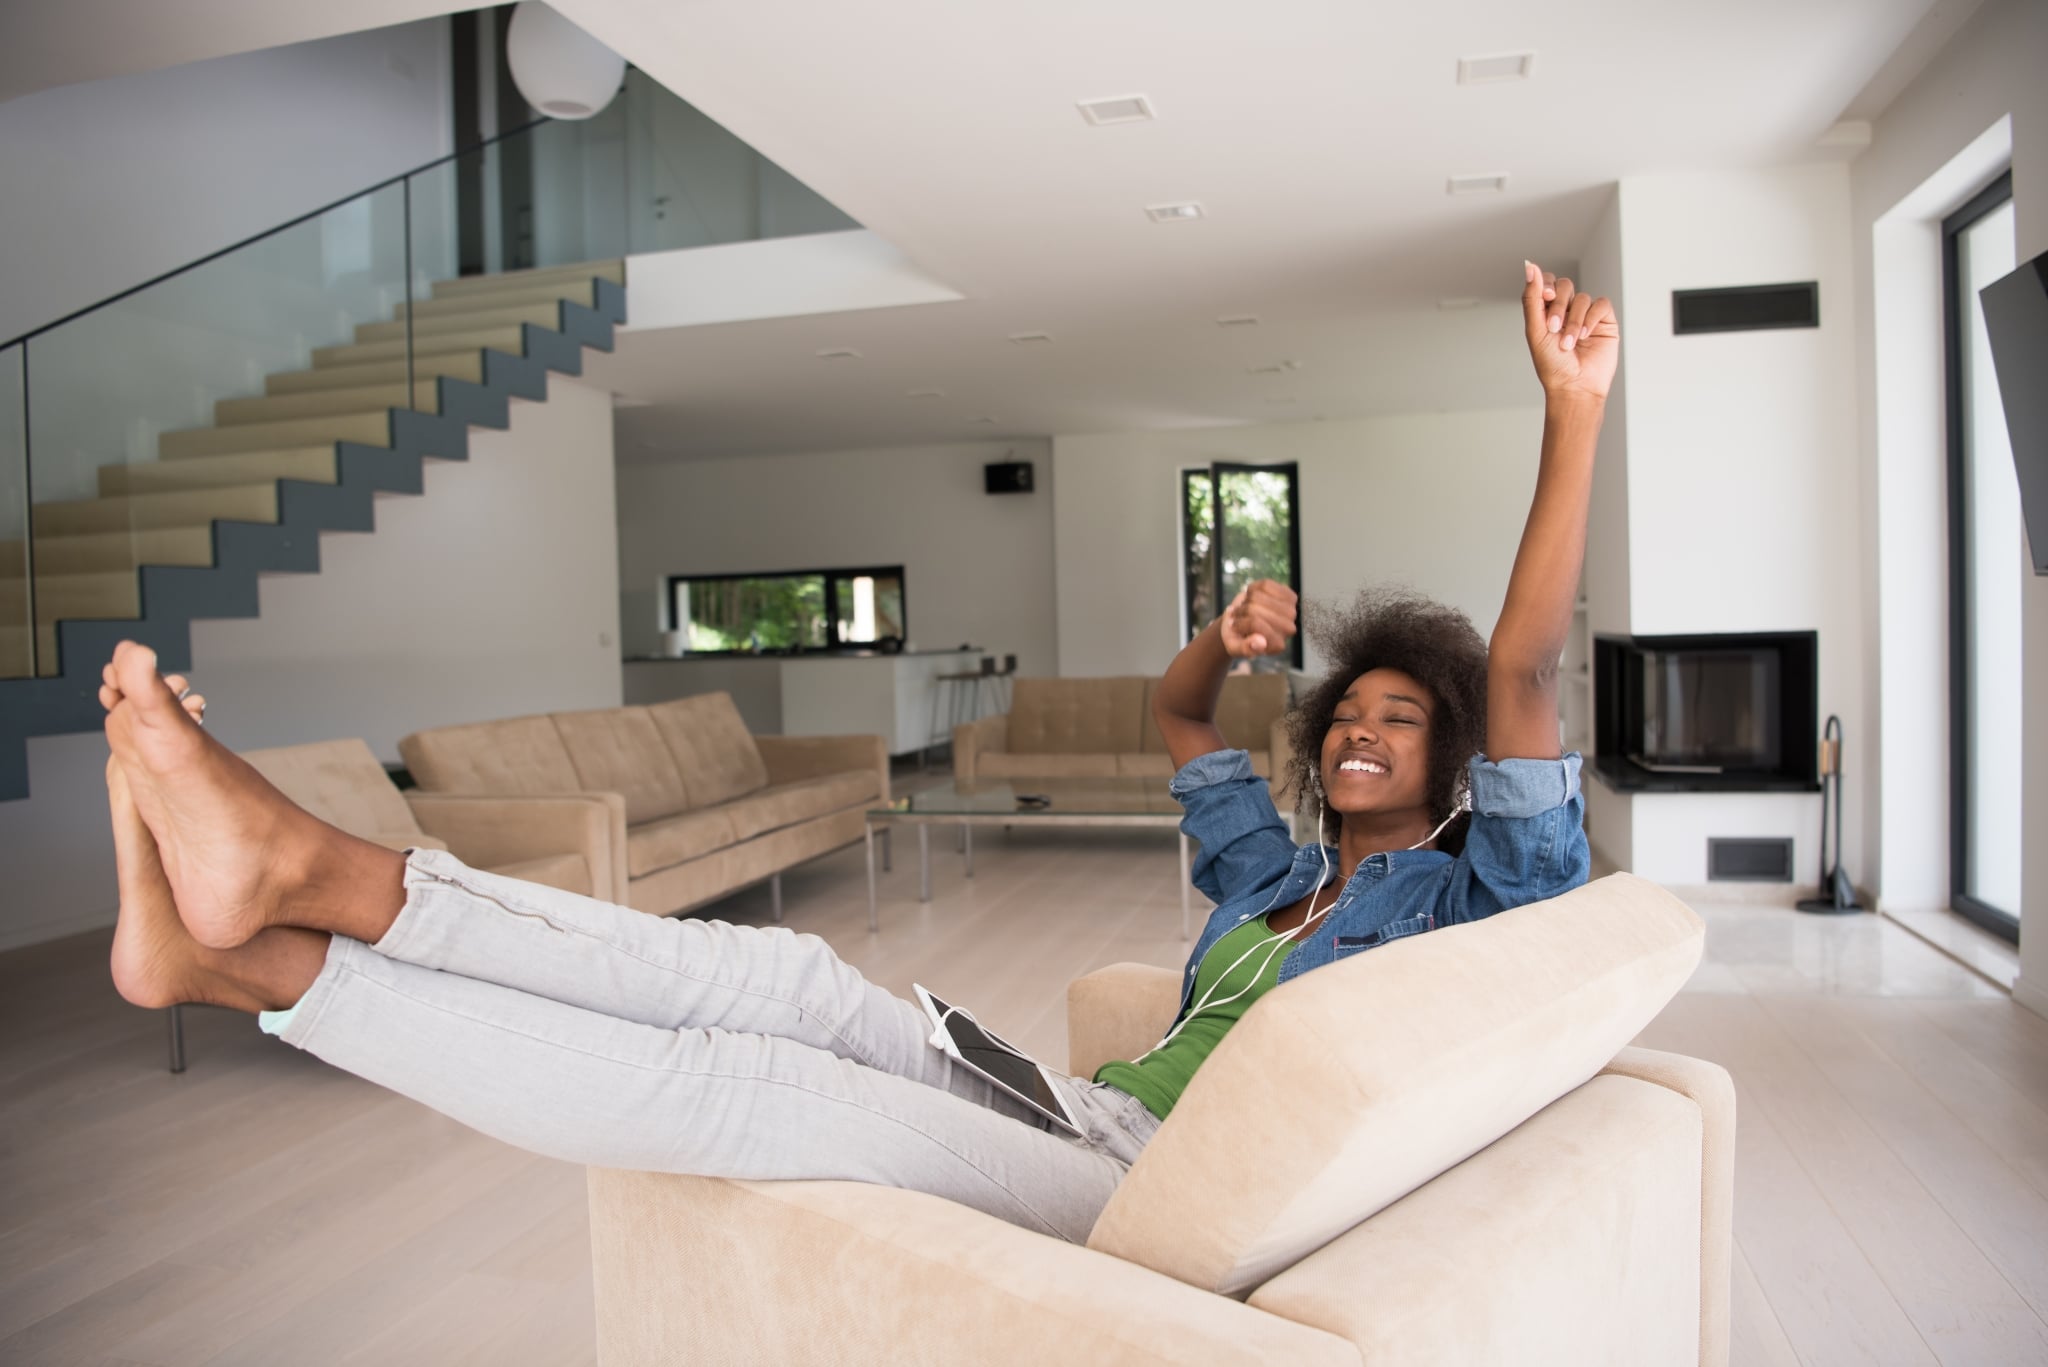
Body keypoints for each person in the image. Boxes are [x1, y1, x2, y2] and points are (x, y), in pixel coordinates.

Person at [98, 261, 1614, 1245]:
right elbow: (1174, 718)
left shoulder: (1487, 894)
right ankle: (258, 926)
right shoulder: (1275, 867)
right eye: (1348, 710)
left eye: (1400, 718)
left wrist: (1571, 414)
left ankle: (288, 923)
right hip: (1077, 1110)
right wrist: (1225, 641)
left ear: (1457, 760)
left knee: (764, 1094)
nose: (1359, 727)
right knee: (781, 982)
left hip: (1161, 1195)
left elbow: (1531, 664)